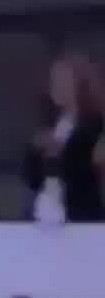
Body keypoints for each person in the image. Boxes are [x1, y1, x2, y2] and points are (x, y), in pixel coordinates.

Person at [25, 51, 105, 222]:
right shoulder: (51, 124)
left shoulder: (95, 125)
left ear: (80, 84)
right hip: (48, 216)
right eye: (53, 80)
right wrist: (36, 152)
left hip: (83, 219)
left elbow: (85, 175)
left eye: (63, 80)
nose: (56, 86)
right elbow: (32, 179)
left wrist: (59, 152)